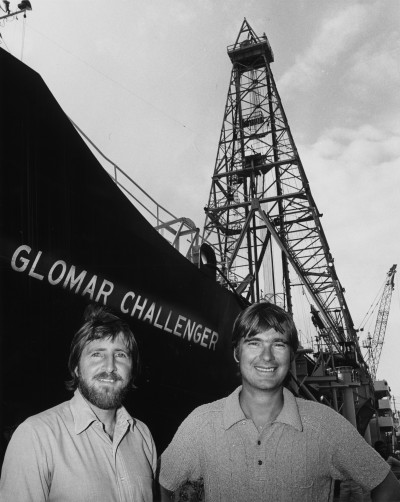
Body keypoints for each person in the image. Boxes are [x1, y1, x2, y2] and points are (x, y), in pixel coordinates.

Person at [158, 301, 400, 502]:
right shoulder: (201, 422)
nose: (267, 356)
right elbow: (163, 484)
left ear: (291, 355)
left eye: (279, 344)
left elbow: (386, 486)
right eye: (254, 343)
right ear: (236, 352)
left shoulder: (325, 425)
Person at [0, 304, 157, 502]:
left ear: (132, 369)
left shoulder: (142, 436)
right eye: (97, 354)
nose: (110, 366)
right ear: (76, 368)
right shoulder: (36, 436)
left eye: (120, 354)